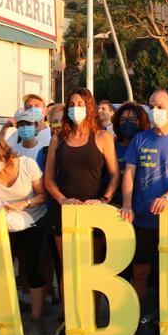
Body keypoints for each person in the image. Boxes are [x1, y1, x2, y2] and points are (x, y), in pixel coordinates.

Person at [120, 90, 168, 301]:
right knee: (140, 273)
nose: (155, 111)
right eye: (151, 106)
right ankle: (139, 321)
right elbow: (129, 173)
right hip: (142, 220)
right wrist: (127, 204)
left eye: (160, 107)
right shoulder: (140, 138)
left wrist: (167, 198)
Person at [0, 133, 49, 335]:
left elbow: (43, 196)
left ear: (4, 154)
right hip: (4, 224)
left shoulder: (26, 164)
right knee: (0, 270)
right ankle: (3, 320)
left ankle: (36, 320)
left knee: (34, 270)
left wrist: (24, 203)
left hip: (34, 220)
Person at [45, 88, 119, 273]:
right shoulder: (58, 138)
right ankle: (67, 304)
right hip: (64, 211)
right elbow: (49, 179)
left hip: (94, 211)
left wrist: (104, 200)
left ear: (90, 108)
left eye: (80, 104)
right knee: (67, 270)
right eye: (71, 104)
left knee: (93, 270)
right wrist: (62, 200)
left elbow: (115, 175)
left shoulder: (103, 137)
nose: (75, 108)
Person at [110, 102, 150, 206]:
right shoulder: (111, 147)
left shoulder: (149, 147)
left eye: (132, 120)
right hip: (114, 206)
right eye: (123, 120)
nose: (127, 123)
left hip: (143, 206)